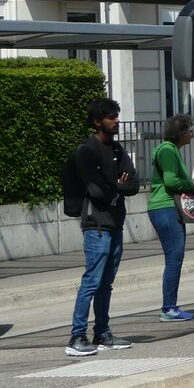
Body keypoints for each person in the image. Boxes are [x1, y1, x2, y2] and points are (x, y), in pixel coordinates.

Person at [66, 98, 139, 357]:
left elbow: (134, 183)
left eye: (116, 116)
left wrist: (115, 186)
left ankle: (102, 333)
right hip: (96, 226)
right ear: (98, 121)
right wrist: (116, 184)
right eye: (111, 117)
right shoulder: (87, 151)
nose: (116, 120)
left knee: (106, 283)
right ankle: (77, 336)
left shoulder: (117, 150)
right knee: (92, 282)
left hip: (115, 224)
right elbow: (96, 191)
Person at [148, 114, 194, 322]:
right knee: (174, 258)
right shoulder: (168, 150)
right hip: (166, 207)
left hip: (166, 208)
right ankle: (169, 308)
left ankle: (170, 306)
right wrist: (192, 186)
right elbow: (171, 181)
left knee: (175, 257)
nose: (192, 132)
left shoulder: (170, 149)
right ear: (180, 132)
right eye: (189, 129)